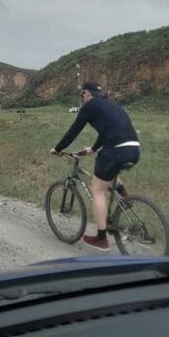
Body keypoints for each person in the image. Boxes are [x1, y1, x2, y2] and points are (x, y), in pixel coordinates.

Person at [50, 81, 140, 252]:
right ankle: (124, 194)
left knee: (98, 190)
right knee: (109, 170)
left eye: (81, 95)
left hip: (115, 150)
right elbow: (108, 131)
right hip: (133, 149)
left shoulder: (89, 106)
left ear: (86, 93)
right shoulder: (111, 104)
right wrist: (92, 149)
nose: (82, 98)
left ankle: (101, 238)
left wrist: (58, 149)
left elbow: (74, 129)